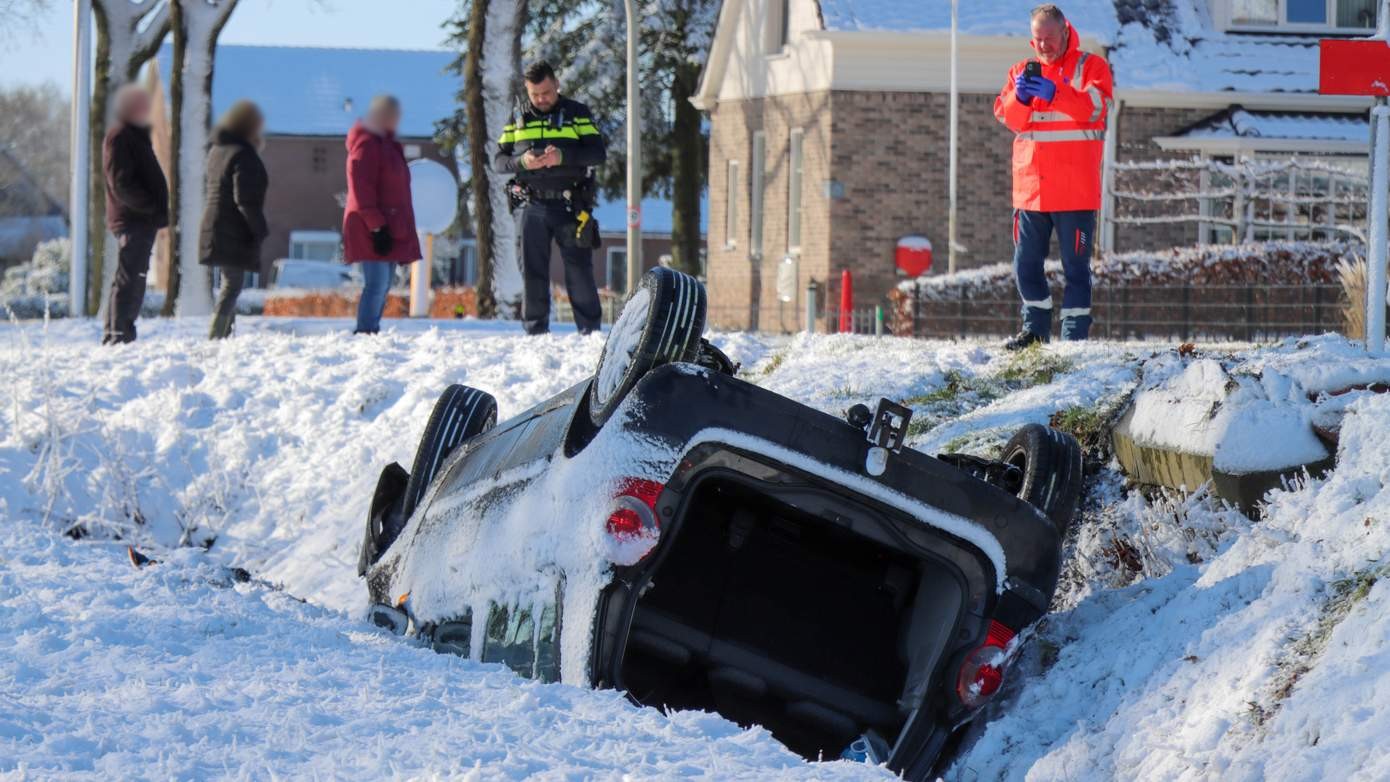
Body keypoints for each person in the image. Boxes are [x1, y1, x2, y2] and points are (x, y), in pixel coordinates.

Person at [993, 4, 1113, 350]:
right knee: (1025, 265)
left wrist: (1055, 92)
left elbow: (1096, 108)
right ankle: (1035, 332)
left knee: (1076, 268)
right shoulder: (1020, 71)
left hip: (1076, 192)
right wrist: (1022, 97)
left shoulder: (1091, 67)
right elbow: (1008, 117)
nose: (1043, 45)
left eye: (1049, 37)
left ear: (1065, 31)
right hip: (1032, 191)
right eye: (1037, 38)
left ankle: (1074, 337)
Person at [494, 61, 607, 335]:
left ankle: (589, 332)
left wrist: (563, 157)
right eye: (535, 94)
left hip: (571, 204)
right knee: (533, 272)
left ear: (557, 85)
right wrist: (522, 161)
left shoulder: (577, 113)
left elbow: (597, 154)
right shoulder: (517, 118)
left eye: (546, 92)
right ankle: (535, 332)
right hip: (531, 205)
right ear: (527, 90)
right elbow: (499, 161)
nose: (541, 99)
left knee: (578, 270)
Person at [342, 95, 420, 334]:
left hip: (387, 223)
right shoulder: (367, 146)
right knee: (376, 283)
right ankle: (365, 330)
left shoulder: (385, 145)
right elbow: (361, 188)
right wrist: (377, 226)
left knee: (383, 283)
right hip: (372, 226)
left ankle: (371, 328)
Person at [102, 83, 168, 345]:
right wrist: (150, 207)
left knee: (135, 277)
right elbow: (121, 183)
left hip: (140, 220)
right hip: (133, 220)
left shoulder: (135, 137)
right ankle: (117, 334)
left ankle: (123, 331)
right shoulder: (121, 137)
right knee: (129, 277)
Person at [199, 100, 269, 339]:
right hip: (233, 227)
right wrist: (259, 227)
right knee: (232, 285)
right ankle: (216, 335)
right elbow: (245, 198)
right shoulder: (242, 154)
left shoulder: (217, 150)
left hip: (217, 224)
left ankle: (224, 332)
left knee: (231, 282)